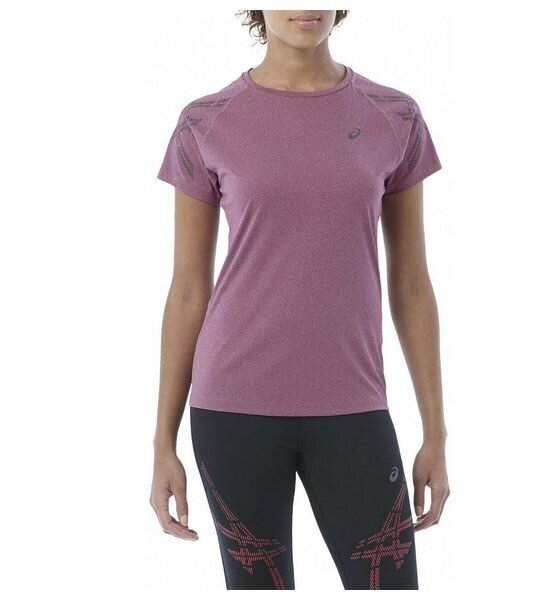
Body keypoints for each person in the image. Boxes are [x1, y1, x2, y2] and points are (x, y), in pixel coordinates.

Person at [150, 9, 450, 591]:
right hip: (232, 408)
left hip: (355, 405)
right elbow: (187, 290)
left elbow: (412, 282)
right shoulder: (205, 122)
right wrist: (163, 441)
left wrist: (435, 432)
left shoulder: (394, 116)